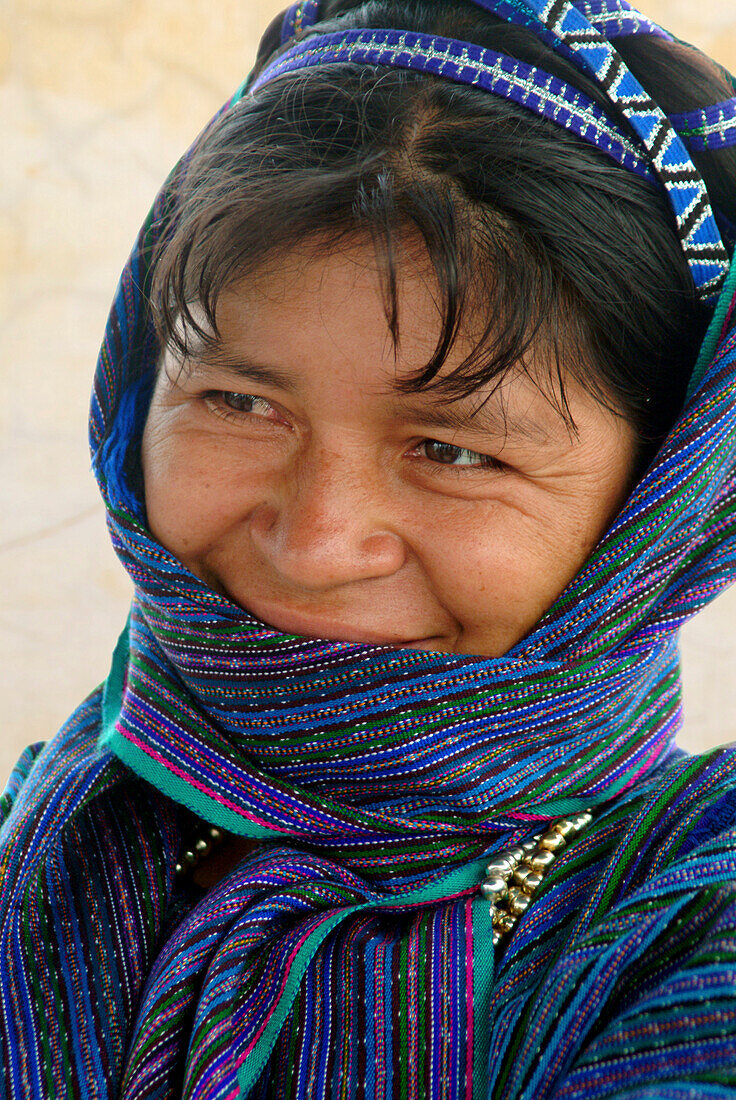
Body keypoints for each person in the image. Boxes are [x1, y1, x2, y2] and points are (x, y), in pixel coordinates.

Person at [2, 0, 736, 1095]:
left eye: (452, 449)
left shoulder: (692, 929)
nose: (315, 543)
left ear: (662, 501)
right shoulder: (47, 827)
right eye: (240, 401)